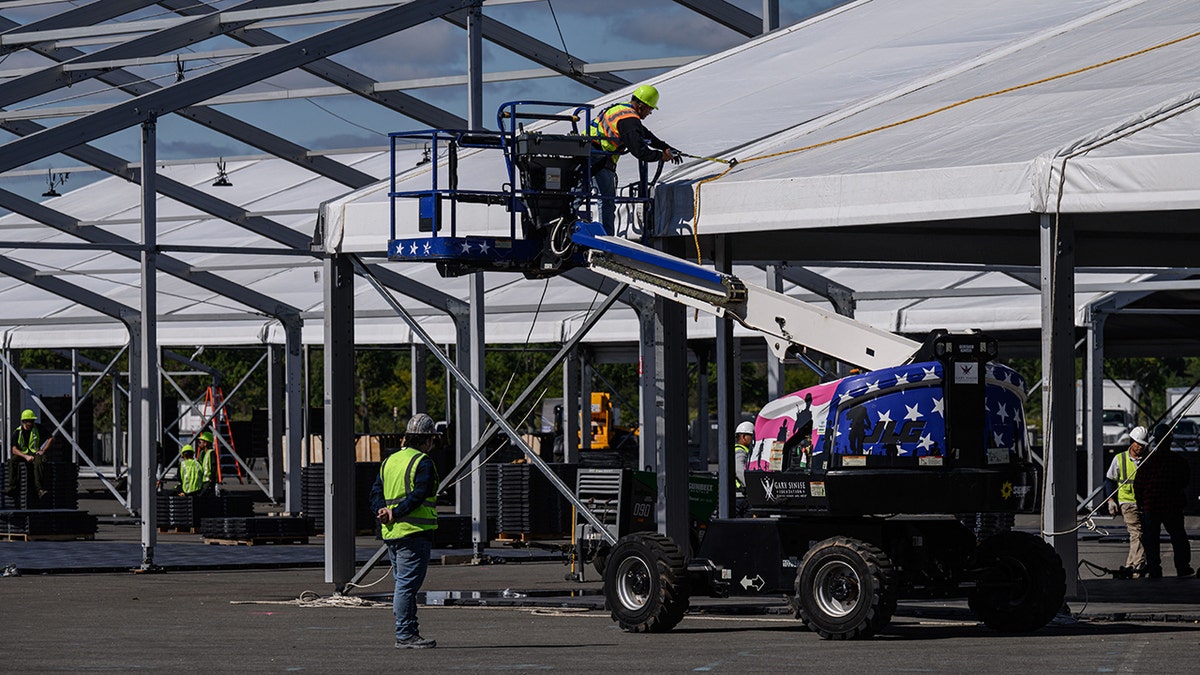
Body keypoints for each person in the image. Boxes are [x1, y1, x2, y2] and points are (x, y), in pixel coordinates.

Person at [369, 412, 441, 649]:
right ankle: (405, 634)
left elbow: (375, 493)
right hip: (414, 532)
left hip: (392, 533)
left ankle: (408, 631)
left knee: (403, 583)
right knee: (406, 586)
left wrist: (383, 510)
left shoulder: (389, 461)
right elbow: (419, 495)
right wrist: (397, 512)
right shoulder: (423, 462)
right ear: (427, 439)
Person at [587, 84, 682, 232]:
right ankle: (606, 238)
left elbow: (646, 134)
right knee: (606, 200)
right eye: (649, 109)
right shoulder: (629, 120)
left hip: (587, 152)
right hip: (598, 156)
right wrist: (661, 156)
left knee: (582, 197)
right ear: (640, 106)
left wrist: (665, 147)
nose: (649, 113)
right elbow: (639, 151)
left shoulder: (623, 111)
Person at [1133, 430, 1192, 578]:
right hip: (1172, 506)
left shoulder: (1147, 461)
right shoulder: (1179, 461)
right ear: (1170, 441)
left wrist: (1140, 502)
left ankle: (1154, 568)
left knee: (1151, 538)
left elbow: (1138, 484)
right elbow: (1184, 481)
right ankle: (1182, 567)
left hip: (1151, 506)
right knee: (1178, 537)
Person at [1104, 425, 1149, 574]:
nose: (1140, 447)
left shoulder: (1148, 459)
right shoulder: (1119, 459)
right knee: (1137, 533)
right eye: (1138, 443)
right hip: (1127, 502)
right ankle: (1138, 565)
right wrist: (1111, 500)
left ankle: (1129, 565)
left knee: (1138, 534)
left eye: (1143, 445)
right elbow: (1109, 480)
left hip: (1145, 502)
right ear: (1132, 441)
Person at [6, 409, 54, 502]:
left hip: (34, 452)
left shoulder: (38, 428)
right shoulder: (17, 432)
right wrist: (25, 456)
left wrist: (43, 450)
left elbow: (51, 438)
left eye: (33, 420)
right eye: (30, 421)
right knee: (12, 461)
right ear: (24, 421)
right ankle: (13, 488)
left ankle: (40, 489)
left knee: (39, 463)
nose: (32, 422)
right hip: (23, 453)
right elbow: (14, 450)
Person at [733, 421, 754, 517]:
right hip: (739, 497)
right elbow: (738, 469)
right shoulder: (740, 451)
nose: (754, 440)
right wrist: (750, 485)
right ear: (744, 437)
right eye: (752, 437)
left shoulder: (737, 450)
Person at [195, 431, 218, 496]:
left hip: (209, 481)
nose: (198, 444)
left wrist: (212, 478)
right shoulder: (202, 453)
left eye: (200, 442)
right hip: (203, 480)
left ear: (205, 443)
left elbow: (213, 466)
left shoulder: (211, 453)